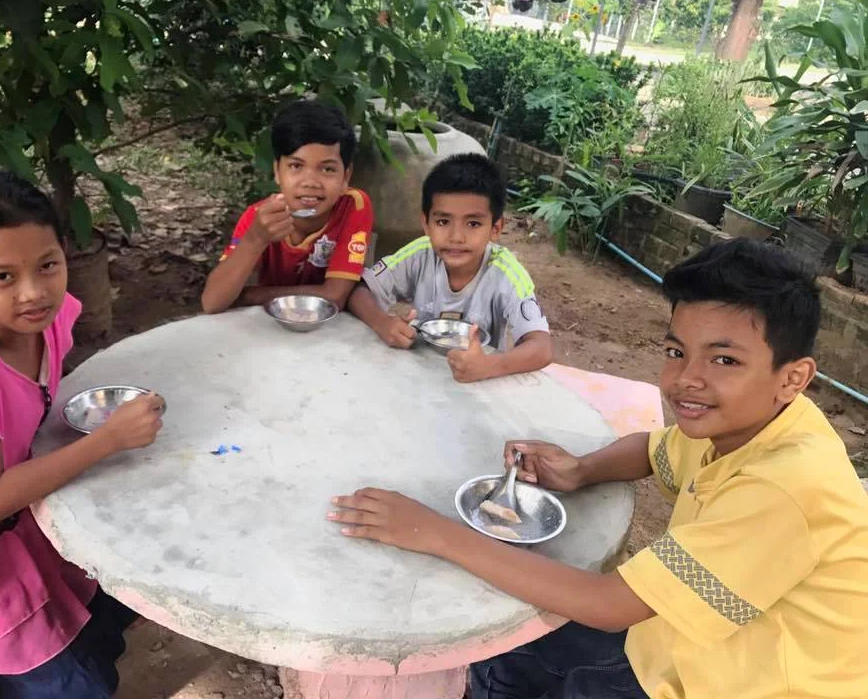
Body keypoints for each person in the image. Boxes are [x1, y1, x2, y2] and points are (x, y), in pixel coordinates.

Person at [329, 238, 868, 698]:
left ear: (792, 378)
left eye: (724, 360)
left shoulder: (785, 489)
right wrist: (580, 470)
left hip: (735, 683)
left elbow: (610, 605)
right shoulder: (753, 423)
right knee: (511, 647)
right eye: (676, 352)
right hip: (681, 643)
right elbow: (653, 449)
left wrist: (432, 532)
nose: (686, 379)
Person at [0, 168, 165, 698]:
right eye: (3, 277)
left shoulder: (42, 322)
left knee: (113, 608)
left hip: (18, 520)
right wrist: (107, 439)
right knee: (75, 686)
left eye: (48, 265)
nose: (34, 292)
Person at [348, 153, 553, 383]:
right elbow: (359, 290)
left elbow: (541, 347)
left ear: (496, 228)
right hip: (417, 375)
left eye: (473, 223)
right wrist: (382, 323)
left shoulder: (506, 274)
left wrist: (488, 366)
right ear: (426, 223)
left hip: (477, 383)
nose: (456, 237)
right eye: (443, 222)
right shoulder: (419, 254)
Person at [201, 100, 374, 313]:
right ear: (277, 171)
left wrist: (249, 295)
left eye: (327, 169)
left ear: (345, 177)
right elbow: (212, 302)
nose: (310, 182)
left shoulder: (353, 206)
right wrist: (255, 239)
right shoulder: (260, 218)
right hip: (272, 323)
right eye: (296, 166)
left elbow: (334, 296)